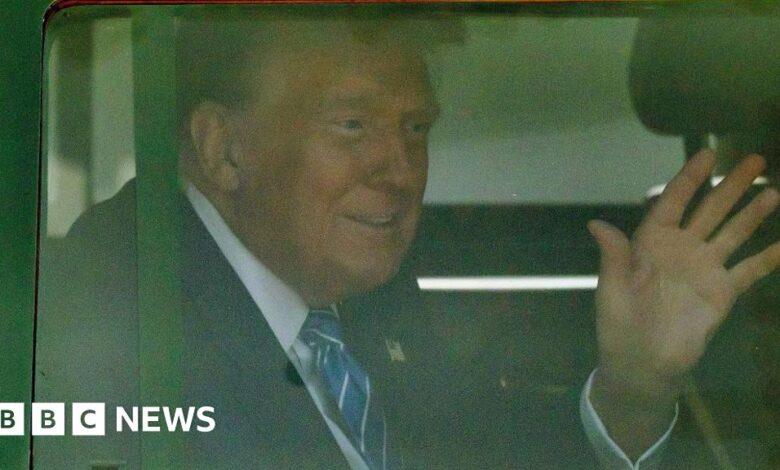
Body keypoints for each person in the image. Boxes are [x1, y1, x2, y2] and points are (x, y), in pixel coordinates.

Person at [35, 11, 780, 469]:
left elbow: (472, 454)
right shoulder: (87, 318)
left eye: (415, 129)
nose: (400, 171)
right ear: (225, 149)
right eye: (352, 126)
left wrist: (636, 389)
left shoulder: (367, 297)